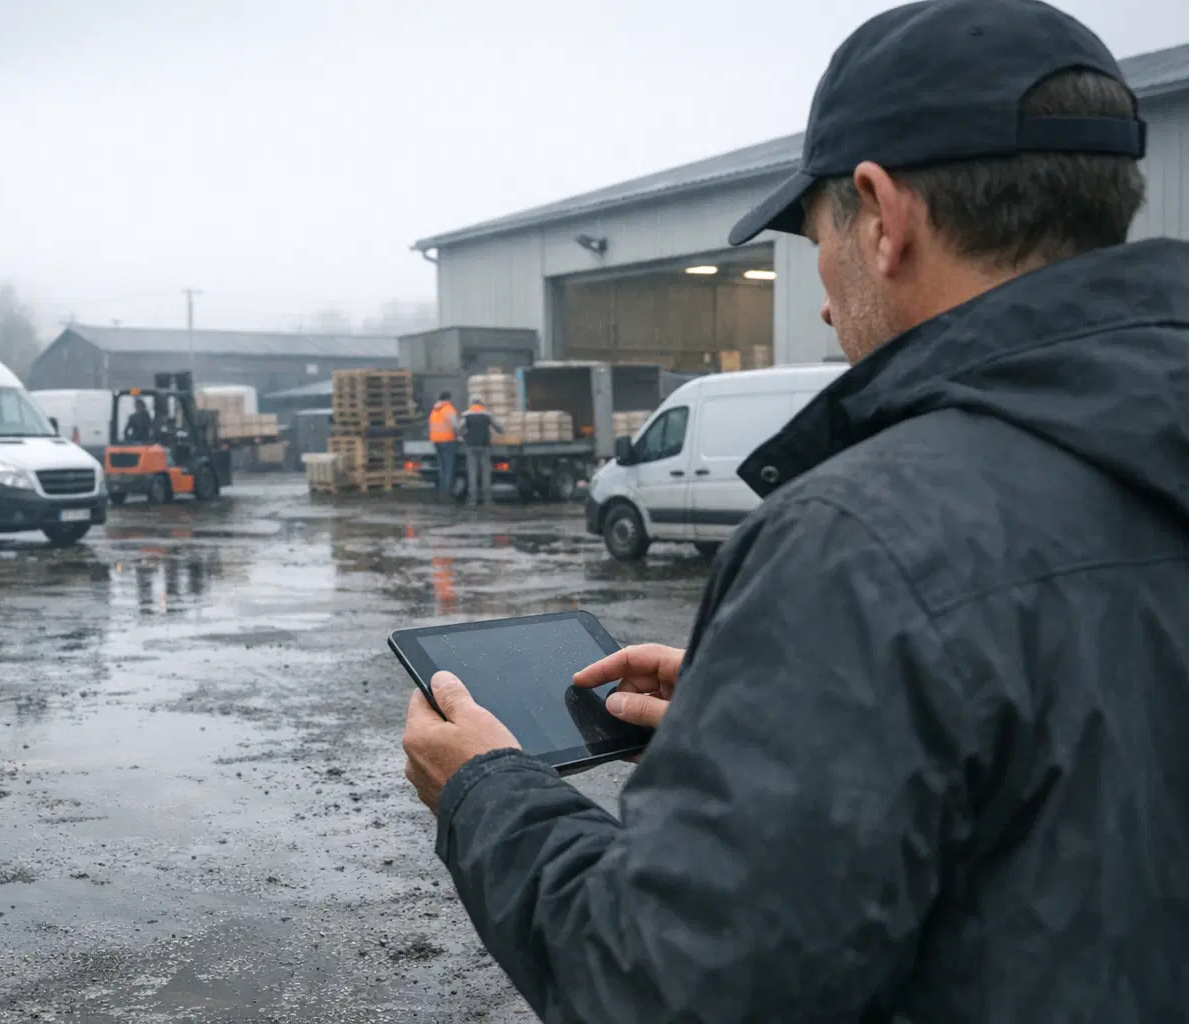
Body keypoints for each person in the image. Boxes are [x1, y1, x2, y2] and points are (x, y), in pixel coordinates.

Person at [400, 1, 1188, 1020]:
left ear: (882, 213)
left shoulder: (862, 546)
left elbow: (665, 986)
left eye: (820, 237)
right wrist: (774, 720)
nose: (824, 293)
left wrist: (485, 789)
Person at [460, 395, 503, 506]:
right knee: (486, 473)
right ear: (481, 404)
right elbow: (499, 428)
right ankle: (487, 500)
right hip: (484, 446)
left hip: (471, 447)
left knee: (472, 473)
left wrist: (464, 436)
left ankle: (472, 500)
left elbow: (459, 428)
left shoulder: (466, 415)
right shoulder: (487, 415)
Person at [428, 391, 460, 499]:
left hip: (436, 441)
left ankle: (441, 490)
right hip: (447, 441)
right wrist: (459, 436)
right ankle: (447, 492)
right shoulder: (449, 409)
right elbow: (455, 426)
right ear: (448, 399)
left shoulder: (435, 410)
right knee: (448, 467)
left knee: (441, 467)